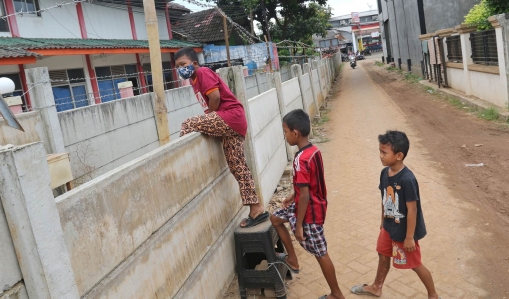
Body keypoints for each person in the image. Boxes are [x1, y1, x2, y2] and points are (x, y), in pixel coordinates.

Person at [174, 47, 268, 228]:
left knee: (187, 124)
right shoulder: (194, 80)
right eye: (178, 66)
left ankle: (182, 167)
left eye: (183, 64)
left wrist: (211, 118)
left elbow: (215, 97)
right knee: (238, 166)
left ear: (194, 63)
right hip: (235, 122)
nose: (180, 69)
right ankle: (256, 208)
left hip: (230, 116)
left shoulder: (202, 72)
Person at [351, 131, 440, 299]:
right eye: (380, 151)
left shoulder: (407, 179)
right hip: (388, 227)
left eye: (384, 152)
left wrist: (409, 237)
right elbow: (384, 198)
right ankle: (376, 287)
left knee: (415, 264)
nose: (380, 156)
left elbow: (412, 210)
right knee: (383, 254)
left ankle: (433, 295)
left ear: (399, 155)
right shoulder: (385, 173)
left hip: (404, 232)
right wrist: (382, 220)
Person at [270, 109, 345, 299]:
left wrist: (300, 227)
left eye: (285, 132)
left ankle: (336, 294)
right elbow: (306, 186)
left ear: (295, 133)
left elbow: (305, 196)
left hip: (310, 212)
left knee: (321, 253)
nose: (284, 136)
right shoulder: (313, 151)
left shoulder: (299, 160)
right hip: (309, 204)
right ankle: (293, 260)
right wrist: (290, 196)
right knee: (276, 218)